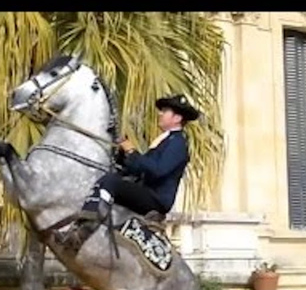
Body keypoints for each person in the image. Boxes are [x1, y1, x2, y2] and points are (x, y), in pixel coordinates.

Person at [54, 93, 200, 252]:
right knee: (108, 179)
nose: (160, 114)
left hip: (156, 199)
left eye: (165, 111)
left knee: (110, 182)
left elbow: (157, 170)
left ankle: (84, 233)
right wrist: (124, 154)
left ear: (177, 118)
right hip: (146, 192)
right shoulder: (165, 140)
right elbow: (139, 168)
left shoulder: (177, 143)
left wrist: (132, 151)